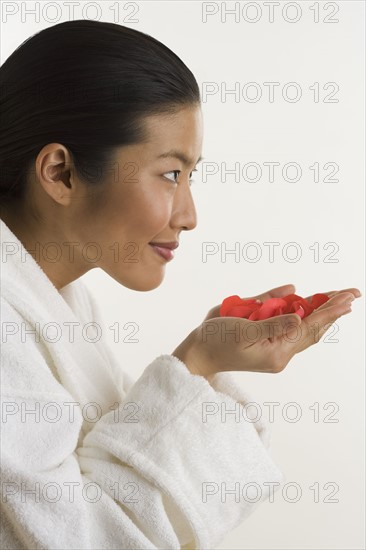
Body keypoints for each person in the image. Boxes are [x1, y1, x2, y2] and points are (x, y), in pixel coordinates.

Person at [0, 19, 360, 550]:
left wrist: (201, 359)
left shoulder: (65, 305)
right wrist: (197, 364)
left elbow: (103, 481)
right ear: (61, 173)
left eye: (192, 176)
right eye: (171, 174)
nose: (188, 216)